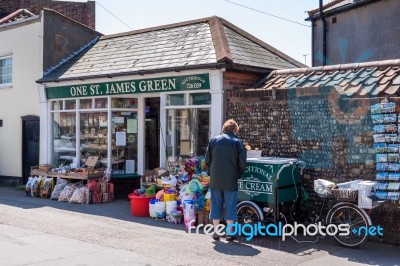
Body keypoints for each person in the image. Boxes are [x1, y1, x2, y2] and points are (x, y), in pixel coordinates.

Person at [205, 119, 247, 241]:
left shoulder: (214, 140)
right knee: (230, 205)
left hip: (215, 179)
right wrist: (238, 174)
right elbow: (242, 162)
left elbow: (207, 160)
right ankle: (229, 234)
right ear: (235, 130)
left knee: (216, 204)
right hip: (230, 179)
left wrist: (211, 173)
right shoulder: (237, 142)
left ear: (224, 128)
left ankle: (216, 232)